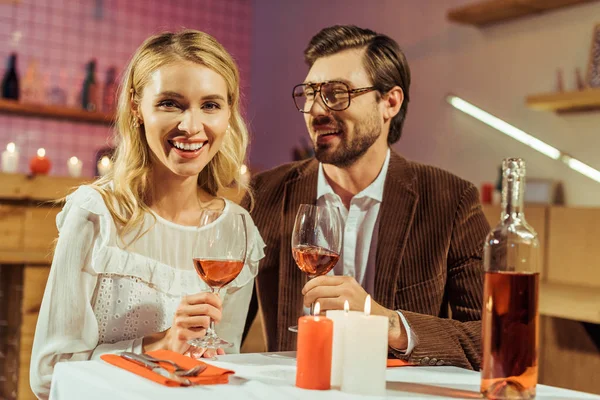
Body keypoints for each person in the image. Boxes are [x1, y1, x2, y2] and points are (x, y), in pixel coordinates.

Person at [30, 30, 265, 399]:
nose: (191, 126)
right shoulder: (96, 214)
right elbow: (49, 375)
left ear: (228, 113)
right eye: (171, 103)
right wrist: (158, 347)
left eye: (210, 105)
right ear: (137, 108)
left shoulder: (237, 228)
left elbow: (223, 359)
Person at [246, 25, 489, 370]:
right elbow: (225, 324)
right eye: (311, 93)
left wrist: (387, 322)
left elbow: (491, 338)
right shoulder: (265, 195)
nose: (316, 110)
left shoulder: (451, 200)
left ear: (390, 102)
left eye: (336, 93)